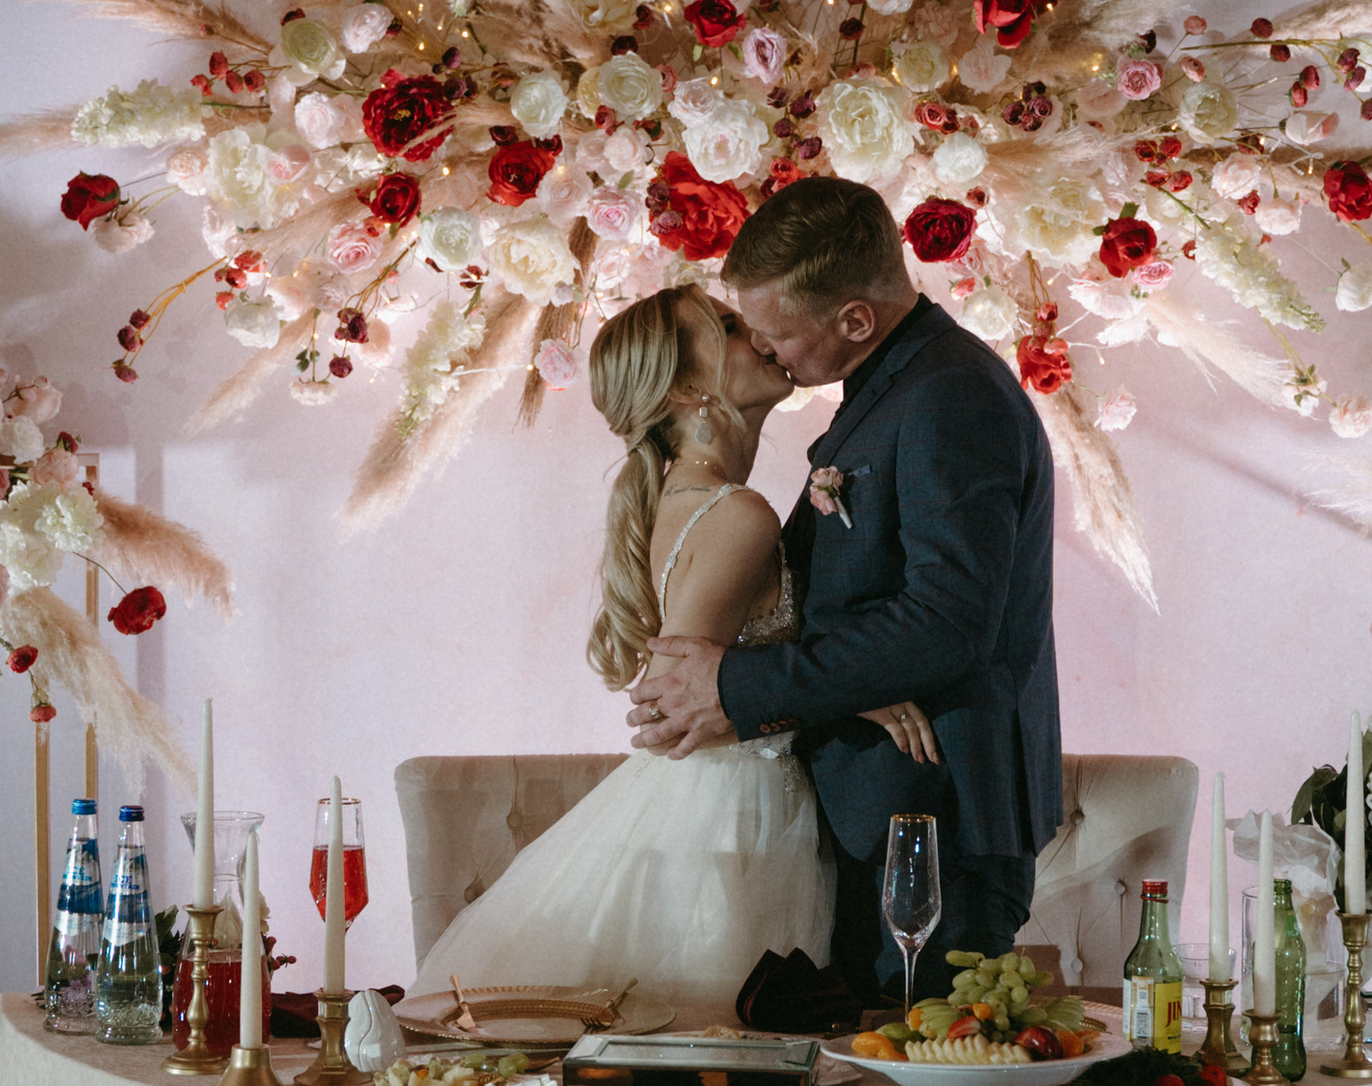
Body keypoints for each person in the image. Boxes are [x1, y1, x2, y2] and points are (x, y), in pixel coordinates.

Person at [408, 282, 941, 1022]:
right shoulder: (736, 514)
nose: (755, 331)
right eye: (727, 326)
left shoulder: (696, 501)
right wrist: (847, 691)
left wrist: (836, 682)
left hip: (738, 806)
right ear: (689, 388)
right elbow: (678, 699)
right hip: (730, 820)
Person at [629, 176, 1063, 1002]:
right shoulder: (895, 390)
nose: (765, 348)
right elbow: (849, 602)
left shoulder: (949, 395)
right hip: (890, 809)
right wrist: (842, 697)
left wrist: (738, 684)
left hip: (937, 815)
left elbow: (947, 621)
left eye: (774, 332)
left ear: (855, 320)